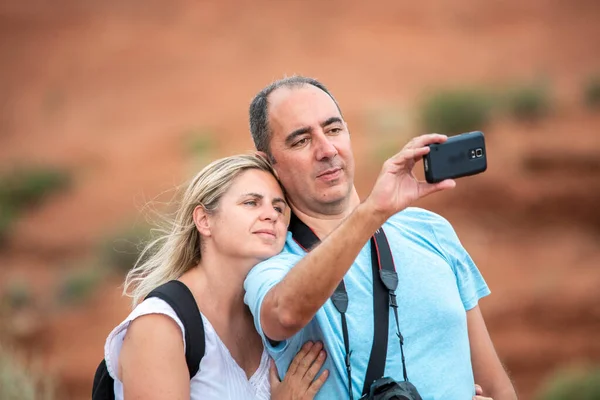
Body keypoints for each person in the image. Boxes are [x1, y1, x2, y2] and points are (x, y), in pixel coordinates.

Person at [244, 76, 518, 400]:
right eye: (301, 140)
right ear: (268, 163)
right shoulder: (271, 263)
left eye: (333, 130)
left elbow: (496, 386)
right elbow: (284, 314)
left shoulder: (431, 231)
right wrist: (373, 211)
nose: (327, 150)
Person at [103, 154, 328, 399]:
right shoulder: (161, 325)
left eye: (278, 207)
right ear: (204, 220)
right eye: (251, 202)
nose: (271, 215)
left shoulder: (272, 319)